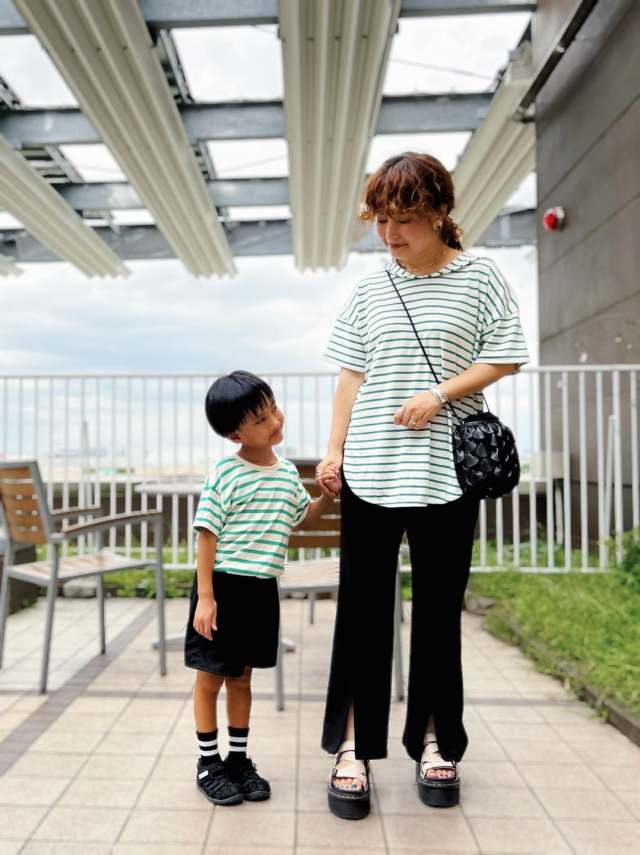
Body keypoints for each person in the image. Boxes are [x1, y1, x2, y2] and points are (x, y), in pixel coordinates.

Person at [316, 152, 530, 819]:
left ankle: (436, 741)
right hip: (373, 472)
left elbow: (507, 353)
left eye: (404, 220)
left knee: (439, 615)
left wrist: (440, 393)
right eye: (382, 220)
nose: (390, 234)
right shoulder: (373, 287)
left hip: (446, 474)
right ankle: (352, 748)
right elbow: (351, 374)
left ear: (440, 212)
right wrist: (333, 450)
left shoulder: (480, 276)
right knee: (362, 616)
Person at [185, 370, 334, 806]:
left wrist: (326, 497)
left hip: (260, 589)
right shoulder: (226, 473)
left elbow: (301, 519)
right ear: (236, 433)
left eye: (274, 409)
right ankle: (208, 763)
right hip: (223, 589)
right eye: (262, 418)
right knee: (211, 677)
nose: (275, 421)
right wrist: (206, 597)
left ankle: (238, 759)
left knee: (243, 678)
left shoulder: (286, 473)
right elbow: (207, 534)